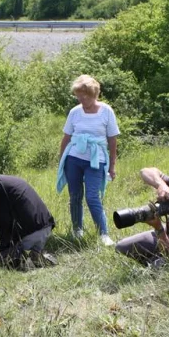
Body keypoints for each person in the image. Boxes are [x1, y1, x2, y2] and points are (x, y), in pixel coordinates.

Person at [56, 74, 120, 246]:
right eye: (78, 95)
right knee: (75, 195)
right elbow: (66, 137)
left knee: (92, 197)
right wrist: (61, 161)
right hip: (74, 159)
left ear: (95, 94)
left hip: (96, 160)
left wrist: (112, 166)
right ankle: (77, 229)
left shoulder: (106, 111)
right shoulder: (74, 112)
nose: (81, 99)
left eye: (85, 95)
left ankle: (103, 234)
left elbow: (112, 140)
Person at [0, 171, 57, 269]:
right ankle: (35, 255)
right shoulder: (9, 180)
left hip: (27, 234)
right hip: (45, 227)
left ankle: (24, 258)